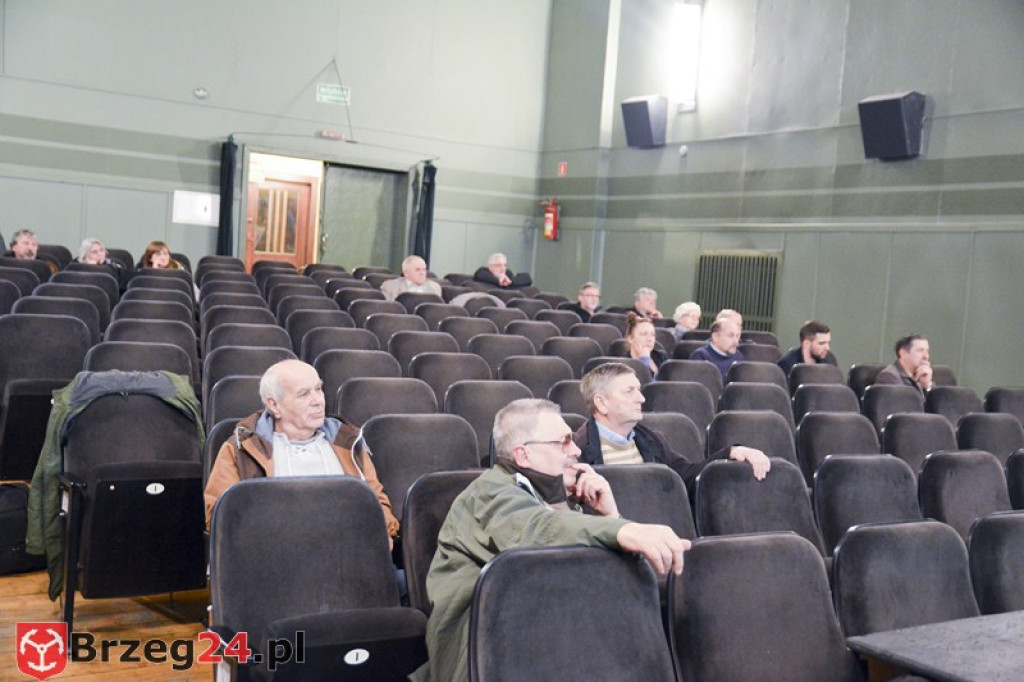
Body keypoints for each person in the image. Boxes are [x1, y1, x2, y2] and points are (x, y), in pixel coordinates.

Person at [412, 398, 688, 682]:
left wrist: (609, 515)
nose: (576, 450)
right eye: (564, 442)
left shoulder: (551, 499)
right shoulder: (488, 493)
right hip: (480, 652)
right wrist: (624, 530)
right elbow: (536, 530)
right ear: (523, 456)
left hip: (541, 640)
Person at [203, 359, 400, 542]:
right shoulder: (241, 448)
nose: (318, 401)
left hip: (347, 550)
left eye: (318, 389)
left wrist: (380, 533)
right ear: (274, 405)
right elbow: (220, 516)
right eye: (304, 394)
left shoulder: (347, 442)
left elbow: (378, 503)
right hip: (274, 553)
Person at [573, 362, 770, 496]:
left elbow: (687, 476)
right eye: (629, 392)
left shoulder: (652, 440)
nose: (641, 398)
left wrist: (732, 452)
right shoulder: (576, 452)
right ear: (601, 403)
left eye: (638, 390)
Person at [689, 317, 745, 381]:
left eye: (737, 336)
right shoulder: (701, 356)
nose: (735, 341)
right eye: (730, 336)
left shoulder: (738, 356)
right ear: (715, 337)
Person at [619, 312, 667, 376]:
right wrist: (645, 359)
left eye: (652, 335)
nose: (650, 339)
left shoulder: (661, 357)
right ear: (630, 338)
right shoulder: (623, 364)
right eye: (644, 334)